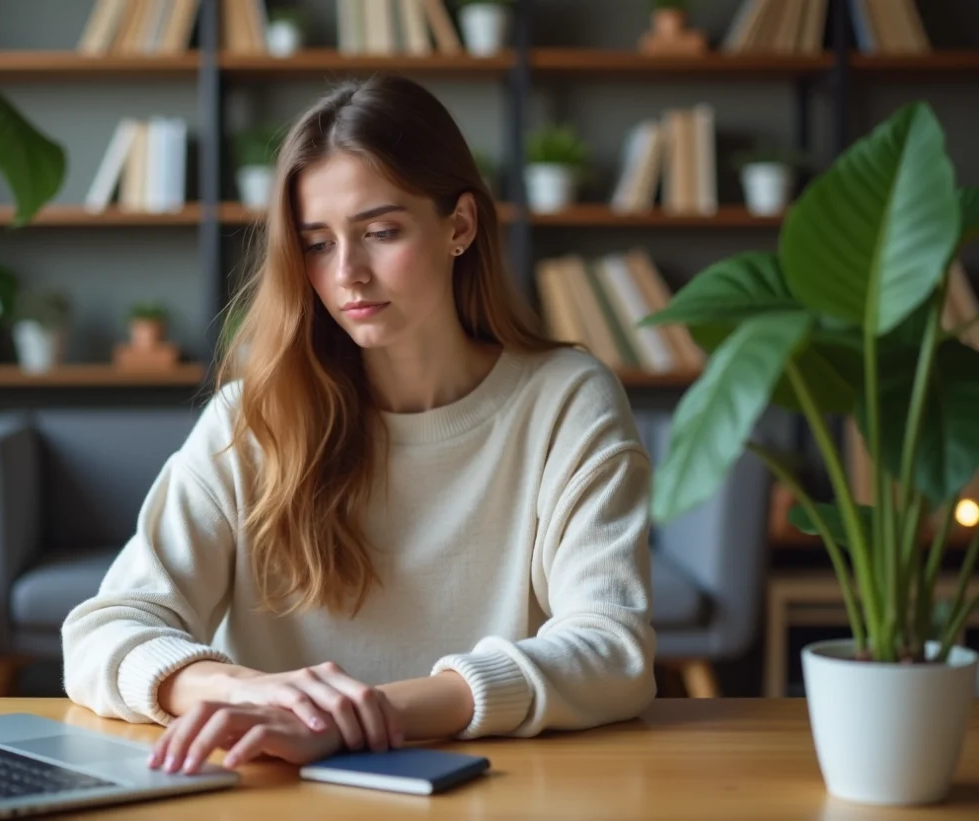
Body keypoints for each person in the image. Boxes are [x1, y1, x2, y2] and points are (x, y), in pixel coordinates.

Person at [62, 74, 656, 776]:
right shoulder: (255, 415)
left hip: (494, 792)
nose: (348, 273)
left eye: (380, 232)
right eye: (316, 243)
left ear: (459, 225)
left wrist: (363, 716)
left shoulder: (565, 401)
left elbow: (612, 650)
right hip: (274, 789)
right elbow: (102, 633)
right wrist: (247, 691)